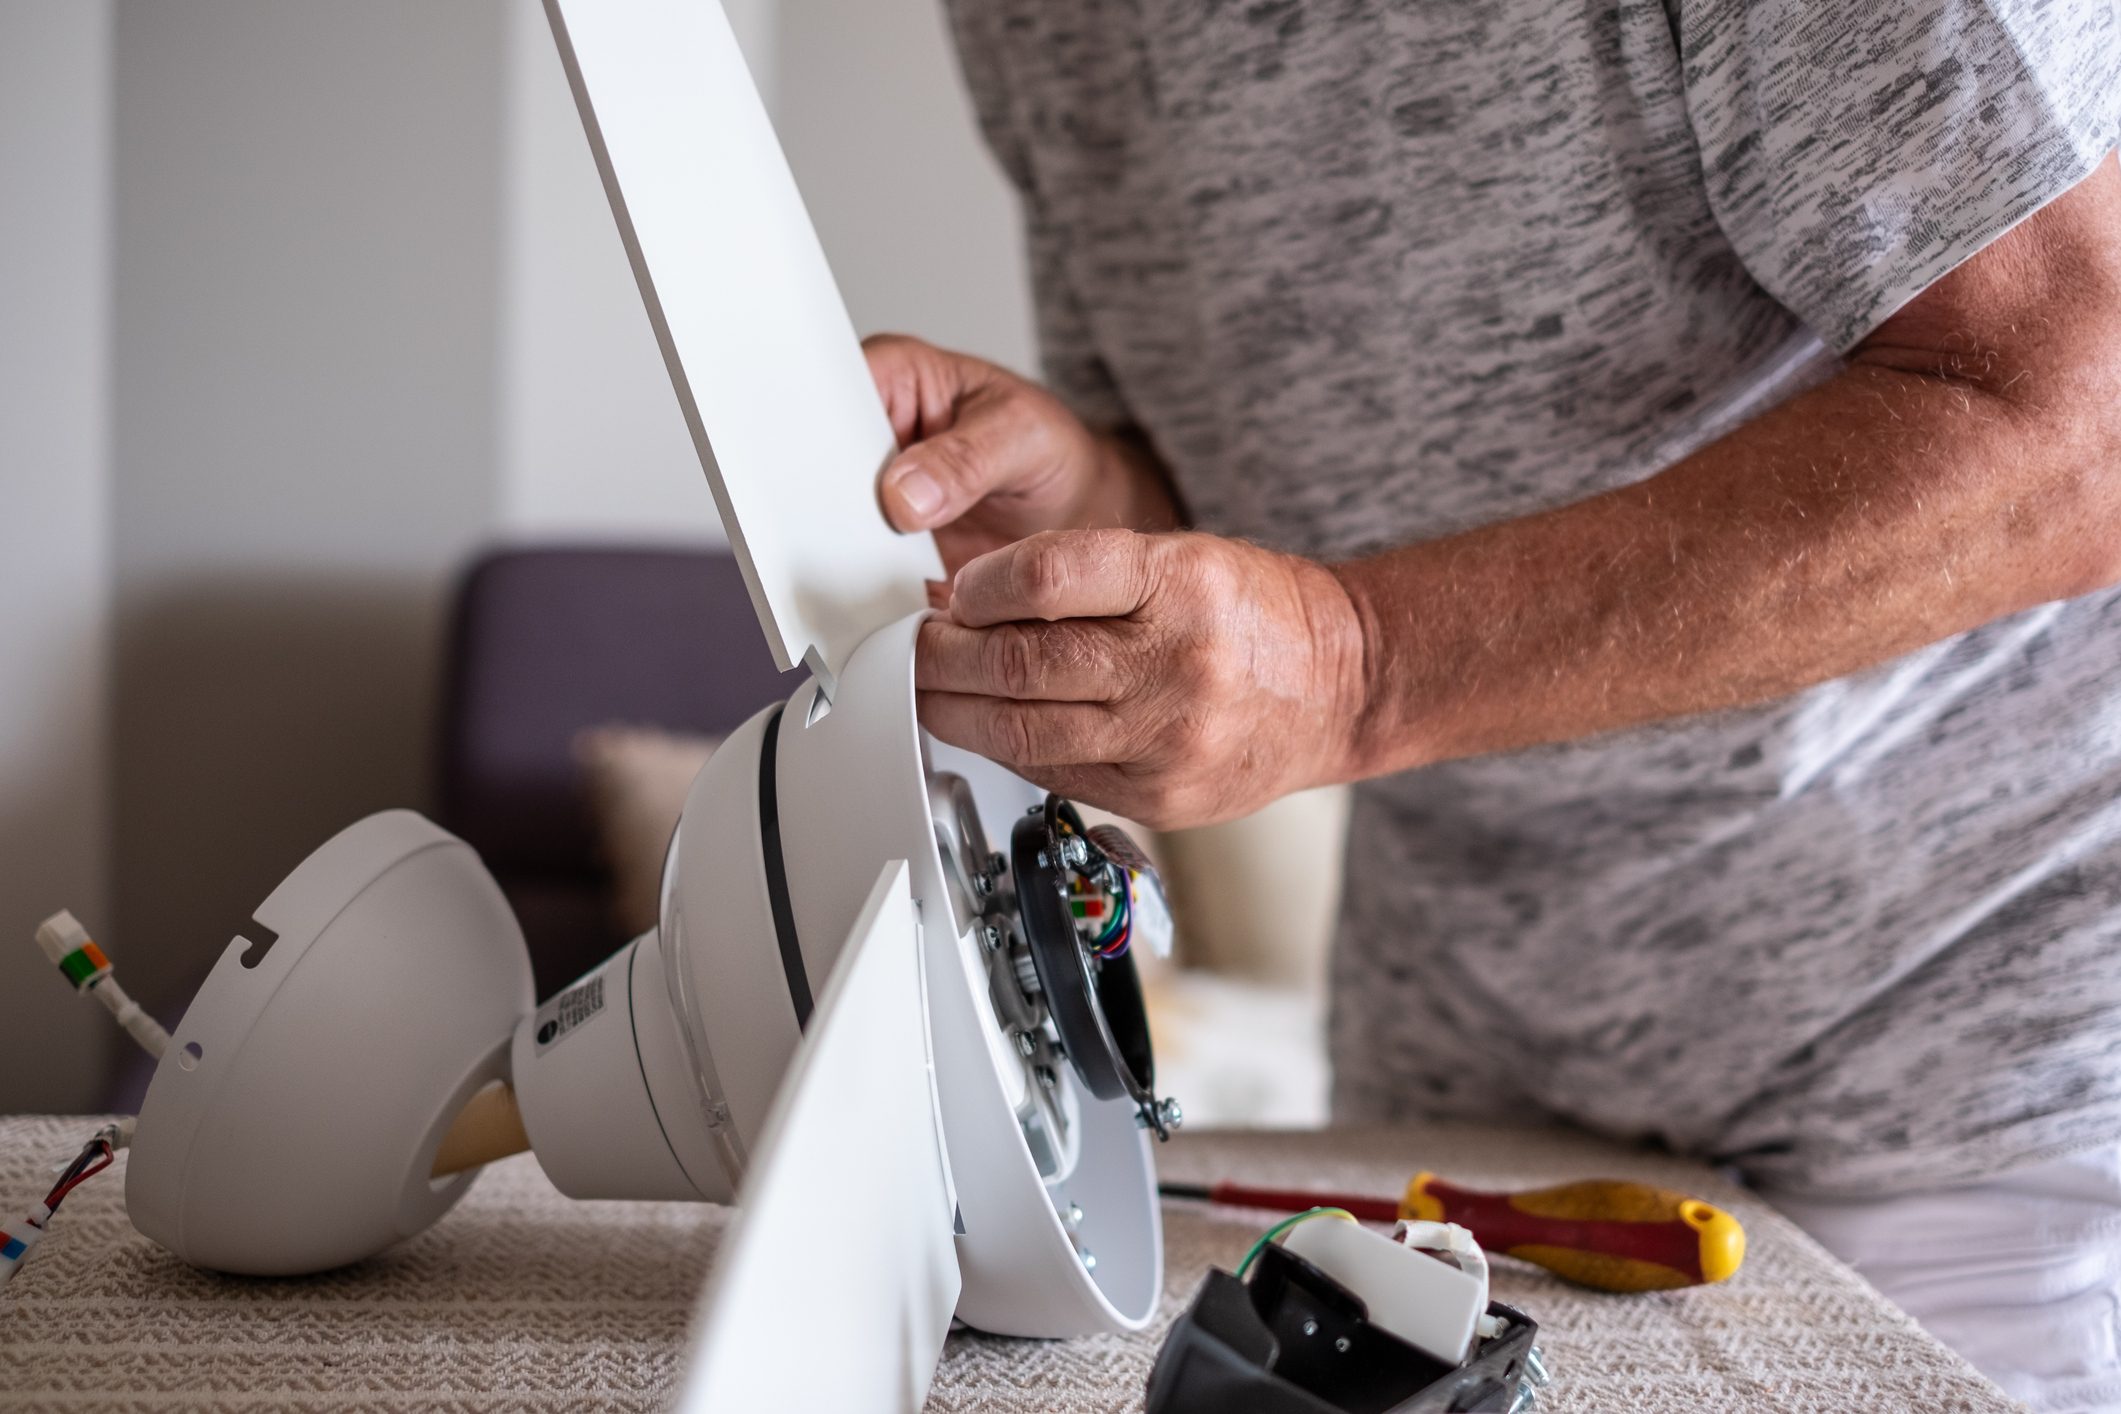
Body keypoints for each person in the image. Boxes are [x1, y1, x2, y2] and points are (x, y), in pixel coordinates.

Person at [869, 2, 2121, 1406]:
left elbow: (2084, 411)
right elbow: (1246, 518)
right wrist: (1096, 510)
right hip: (1468, 1091)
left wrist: (1359, 665)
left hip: (1972, 1084)